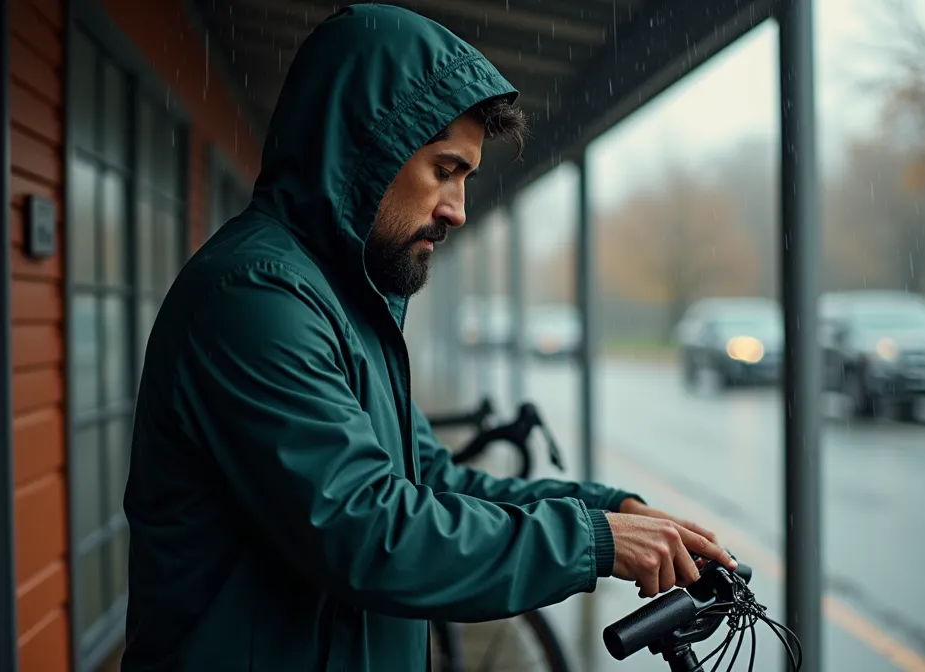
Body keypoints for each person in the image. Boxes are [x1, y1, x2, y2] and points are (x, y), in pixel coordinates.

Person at [120, 4, 736, 671]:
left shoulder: (345, 305)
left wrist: (612, 509)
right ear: (367, 146)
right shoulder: (255, 298)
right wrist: (596, 541)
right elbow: (367, 531)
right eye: (444, 170)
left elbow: (432, 483)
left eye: (465, 178)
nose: (457, 210)